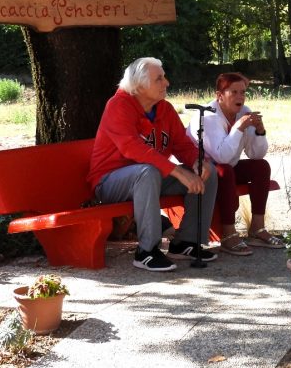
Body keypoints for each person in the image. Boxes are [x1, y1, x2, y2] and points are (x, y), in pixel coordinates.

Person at [87, 57, 218, 272]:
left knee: (208, 172)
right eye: (159, 79)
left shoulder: (164, 109)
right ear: (138, 86)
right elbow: (133, 148)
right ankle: (146, 251)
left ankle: (185, 242)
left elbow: (182, 144)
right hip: (110, 182)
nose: (166, 83)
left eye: (164, 77)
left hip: (151, 177)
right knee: (147, 172)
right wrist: (176, 171)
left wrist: (197, 161)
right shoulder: (118, 105)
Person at [189, 72, 282, 257]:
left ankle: (257, 228)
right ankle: (228, 233)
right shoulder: (207, 117)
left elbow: (256, 154)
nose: (240, 97)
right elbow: (221, 157)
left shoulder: (243, 111)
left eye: (243, 92)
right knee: (225, 171)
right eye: (234, 92)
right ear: (219, 95)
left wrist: (260, 132)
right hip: (202, 171)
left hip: (228, 166)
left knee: (261, 167)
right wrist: (239, 127)